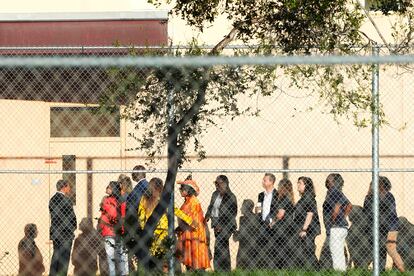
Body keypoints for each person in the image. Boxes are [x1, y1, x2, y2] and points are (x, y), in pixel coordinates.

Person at [363, 176, 405, 272]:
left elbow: (390, 213)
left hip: (390, 226)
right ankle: (379, 270)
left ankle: (402, 269)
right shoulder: (369, 197)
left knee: (390, 248)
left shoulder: (388, 196)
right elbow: (368, 212)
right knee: (378, 249)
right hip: (376, 227)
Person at [175, 176, 211, 271]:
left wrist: (180, 225)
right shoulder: (188, 200)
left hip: (194, 233)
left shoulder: (193, 201)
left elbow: (193, 221)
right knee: (189, 261)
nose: (180, 190)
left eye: (182, 188)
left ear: (187, 190)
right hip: (188, 232)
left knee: (195, 261)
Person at [205, 175, 237, 272]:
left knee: (220, 247)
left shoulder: (231, 196)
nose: (216, 185)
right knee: (222, 247)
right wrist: (207, 216)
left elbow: (232, 213)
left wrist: (222, 225)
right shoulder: (215, 194)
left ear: (224, 184)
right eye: (215, 183)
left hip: (226, 226)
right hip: (216, 225)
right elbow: (211, 206)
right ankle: (222, 270)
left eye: (218, 183)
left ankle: (222, 270)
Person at [322, 173, 352, 271]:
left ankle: (338, 273)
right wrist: (343, 216)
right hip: (341, 227)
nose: (327, 180)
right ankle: (342, 271)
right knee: (339, 252)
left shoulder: (333, 191)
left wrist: (334, 219)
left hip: (335, 227)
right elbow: (349, 205)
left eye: (329, 179)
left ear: (334, 181)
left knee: (336, 253)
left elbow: (337, 207)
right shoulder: (338, 192)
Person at [98, 181, 128, 276]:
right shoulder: (111, 200)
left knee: (117, 257)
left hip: (115, 231)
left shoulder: (110, 201)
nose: (107, 188)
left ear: (113, 189)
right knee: (114, 257)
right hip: (112, 231)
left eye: (109, 187)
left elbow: (117, 214)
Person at [49, 179, 77, 276]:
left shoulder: (52, 199)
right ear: (64, 187)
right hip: (65, 233)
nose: (69, 188)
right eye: (68, 186)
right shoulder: (66, 200)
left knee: (56, 255)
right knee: (64, 258)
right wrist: (73, 227)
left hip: (56, 232)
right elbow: (72, 217)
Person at [292, 176, 321, 270]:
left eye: (300, 183)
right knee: (305, 251)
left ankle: (317, 270)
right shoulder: (304, 197)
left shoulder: (308, 197)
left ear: (306, 185)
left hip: (309, 229)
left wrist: (304, 229)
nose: (298, 185)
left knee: (308, 251)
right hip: (305, 228)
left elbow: (310, 214)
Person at [270, 178, 295, 269]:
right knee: (285, 252)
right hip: (288, 228)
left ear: (282, 187)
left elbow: (280, 214)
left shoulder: (284, 198)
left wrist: (272, 222)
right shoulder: (290, 198)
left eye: (279, 186)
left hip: (281, 229)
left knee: (278, 252)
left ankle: (280, 269)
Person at [255, 173, 278, 269]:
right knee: (262, 247)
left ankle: (274, 268)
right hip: (262, 224)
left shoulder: (277, 194)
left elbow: (277, 209)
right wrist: (257, 211)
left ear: (271, 182)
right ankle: (264, 268)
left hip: (272, 224)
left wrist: (271, 220)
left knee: (273, 248)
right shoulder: (261, 195)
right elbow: (259, 207)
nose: (263, 182)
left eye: (265, 180)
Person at [125, 165, 149, 257]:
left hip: (139, 221)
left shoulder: (142, 186)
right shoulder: (144, 185)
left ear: (137, 174)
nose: (132, 175)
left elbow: (136, 204)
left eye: (133, 173)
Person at [233, 199, 258, 270]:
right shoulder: (255, 217)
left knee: (241, 266)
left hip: (245, 248)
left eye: (242, 206)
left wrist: (235, 233)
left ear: (246, 208)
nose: (240, 208)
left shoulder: (243, 219)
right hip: (253, 248)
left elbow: (243, 233)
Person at [118, 174, 135, 271]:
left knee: (123, 252)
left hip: (124, 227)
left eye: (120, 184)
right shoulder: (131, 195)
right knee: (128, 252)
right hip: (129, 226)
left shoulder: (123, 197)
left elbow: (122, 213)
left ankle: (125, 271)